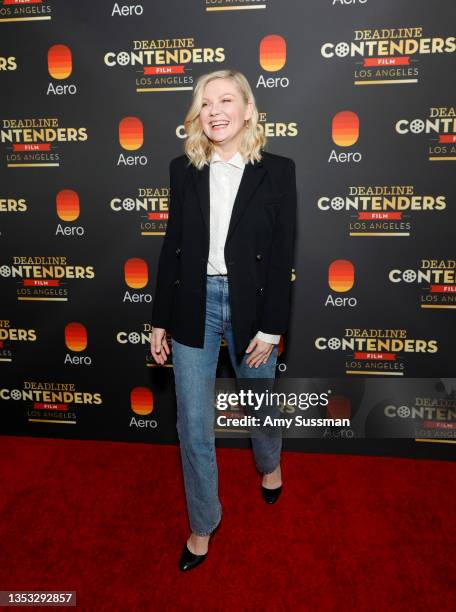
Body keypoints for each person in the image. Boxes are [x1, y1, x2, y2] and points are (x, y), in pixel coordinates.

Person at [150, 68, 297, 571]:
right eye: (205, 102)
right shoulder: (182, 168)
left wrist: (273, 326)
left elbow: (282, 257)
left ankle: (269, 464)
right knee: (192, 423)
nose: (215, 110)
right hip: (194, 304)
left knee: (258, 403)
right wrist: (158, 319)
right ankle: (202, 523)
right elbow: (172, 246)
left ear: (248, 110)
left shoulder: (278, 171)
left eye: (226, 100)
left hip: (251, 307)